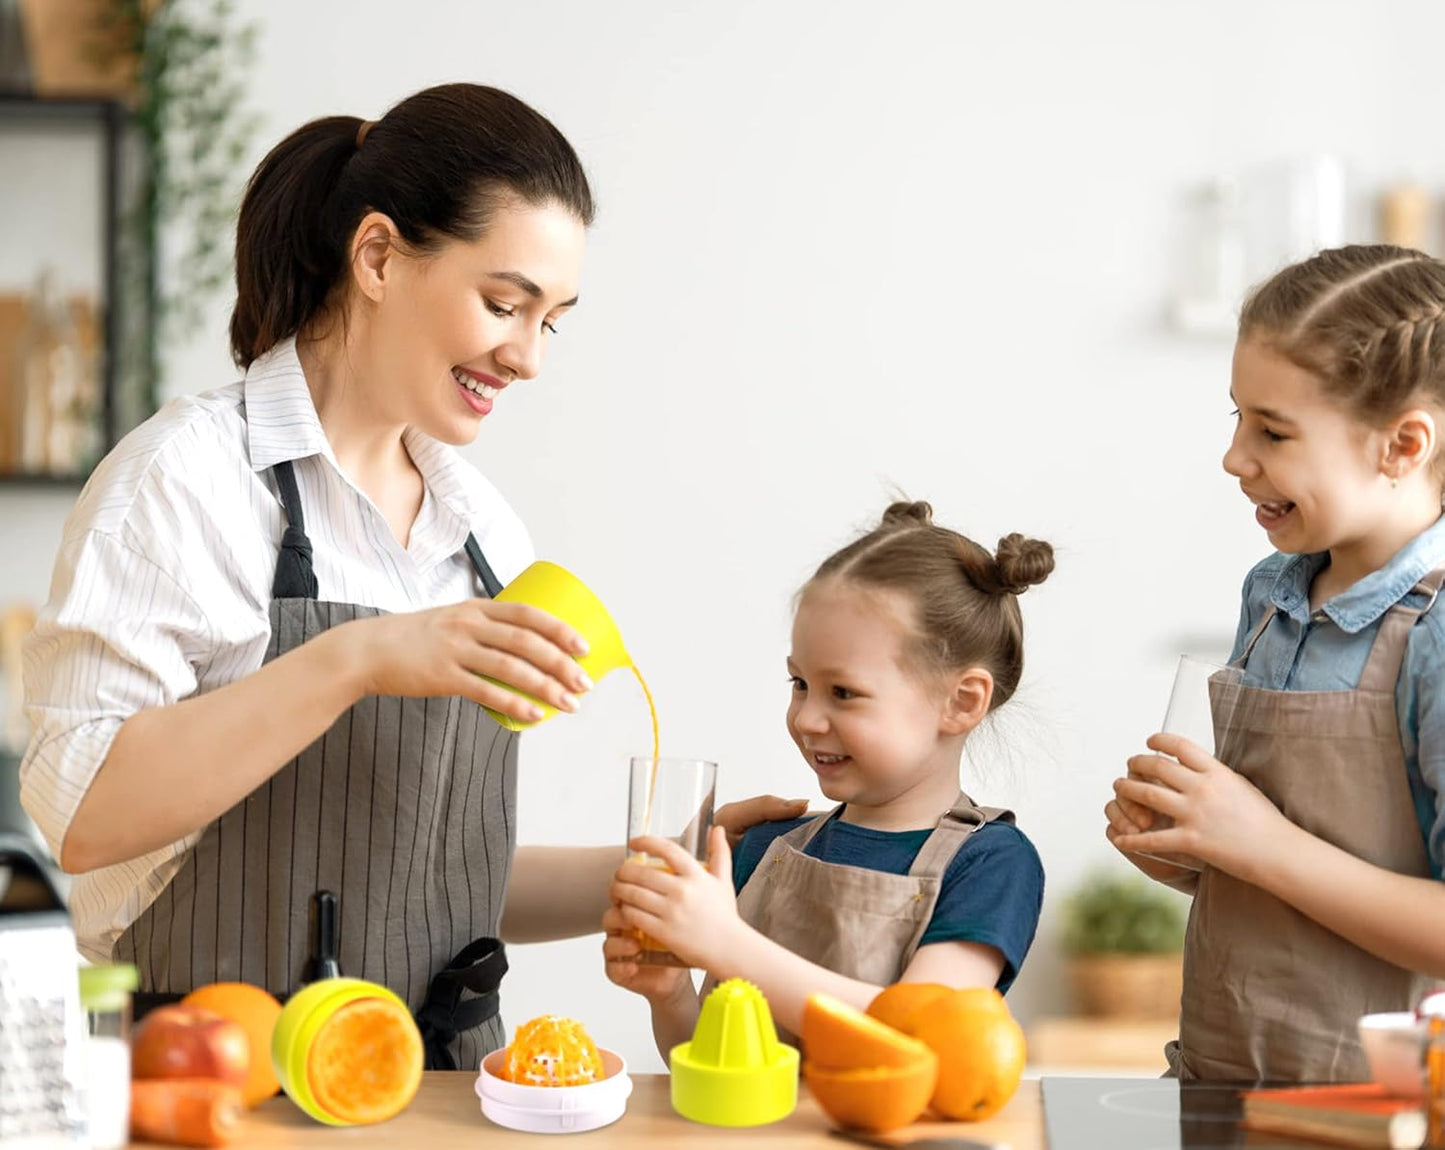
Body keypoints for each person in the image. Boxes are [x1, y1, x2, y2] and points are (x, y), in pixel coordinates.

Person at [19, 82, 796, 1071]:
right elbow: (83, 818)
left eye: (551, 320)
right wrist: (360, 656)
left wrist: (653, 877)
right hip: (215, 1089)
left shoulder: (482, 537)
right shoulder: (187, 482)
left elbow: (424, 872)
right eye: (503, 303)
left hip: (441, 1091)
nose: (527, 357)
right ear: (378, 255)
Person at [1107, 244, 1445, 1081]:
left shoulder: (1434, 635)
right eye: (1237, 418)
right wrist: (1196, 854)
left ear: (1402, 445)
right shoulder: (1271, 596)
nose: (1234, 457)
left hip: (1382, 1110)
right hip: (1220, 1078)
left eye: (1273, 430)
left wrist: (1257, 848)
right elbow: (1292, 880)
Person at [602, 502, 1049, 1053]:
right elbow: (708, 1064)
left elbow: (920, 1036)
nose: (807, 718)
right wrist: (669, 995)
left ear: (961, 701)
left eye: (843, 692)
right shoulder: (768, 847)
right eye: (799, 684)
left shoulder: (991, 865)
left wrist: (725, 942)